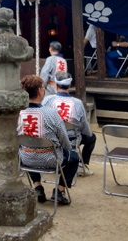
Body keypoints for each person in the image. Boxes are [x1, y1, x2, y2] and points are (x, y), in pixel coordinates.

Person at [18, 75, 79, 206]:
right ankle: (60, 190)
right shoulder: (51, 113)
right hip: (51, 158)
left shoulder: (18, 112)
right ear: (40, 91)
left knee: (30, 149)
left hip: (26, 158)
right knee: (73, 157)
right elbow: (65, 141)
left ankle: (37, 186)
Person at [42, 71, 96, 176]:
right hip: (72, 140)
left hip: (52, 140)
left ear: (56, 85)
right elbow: (85, 129)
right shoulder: (78, 103)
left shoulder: (47, 100)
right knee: (92, 138)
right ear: (69, 85)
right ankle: (81, 164)